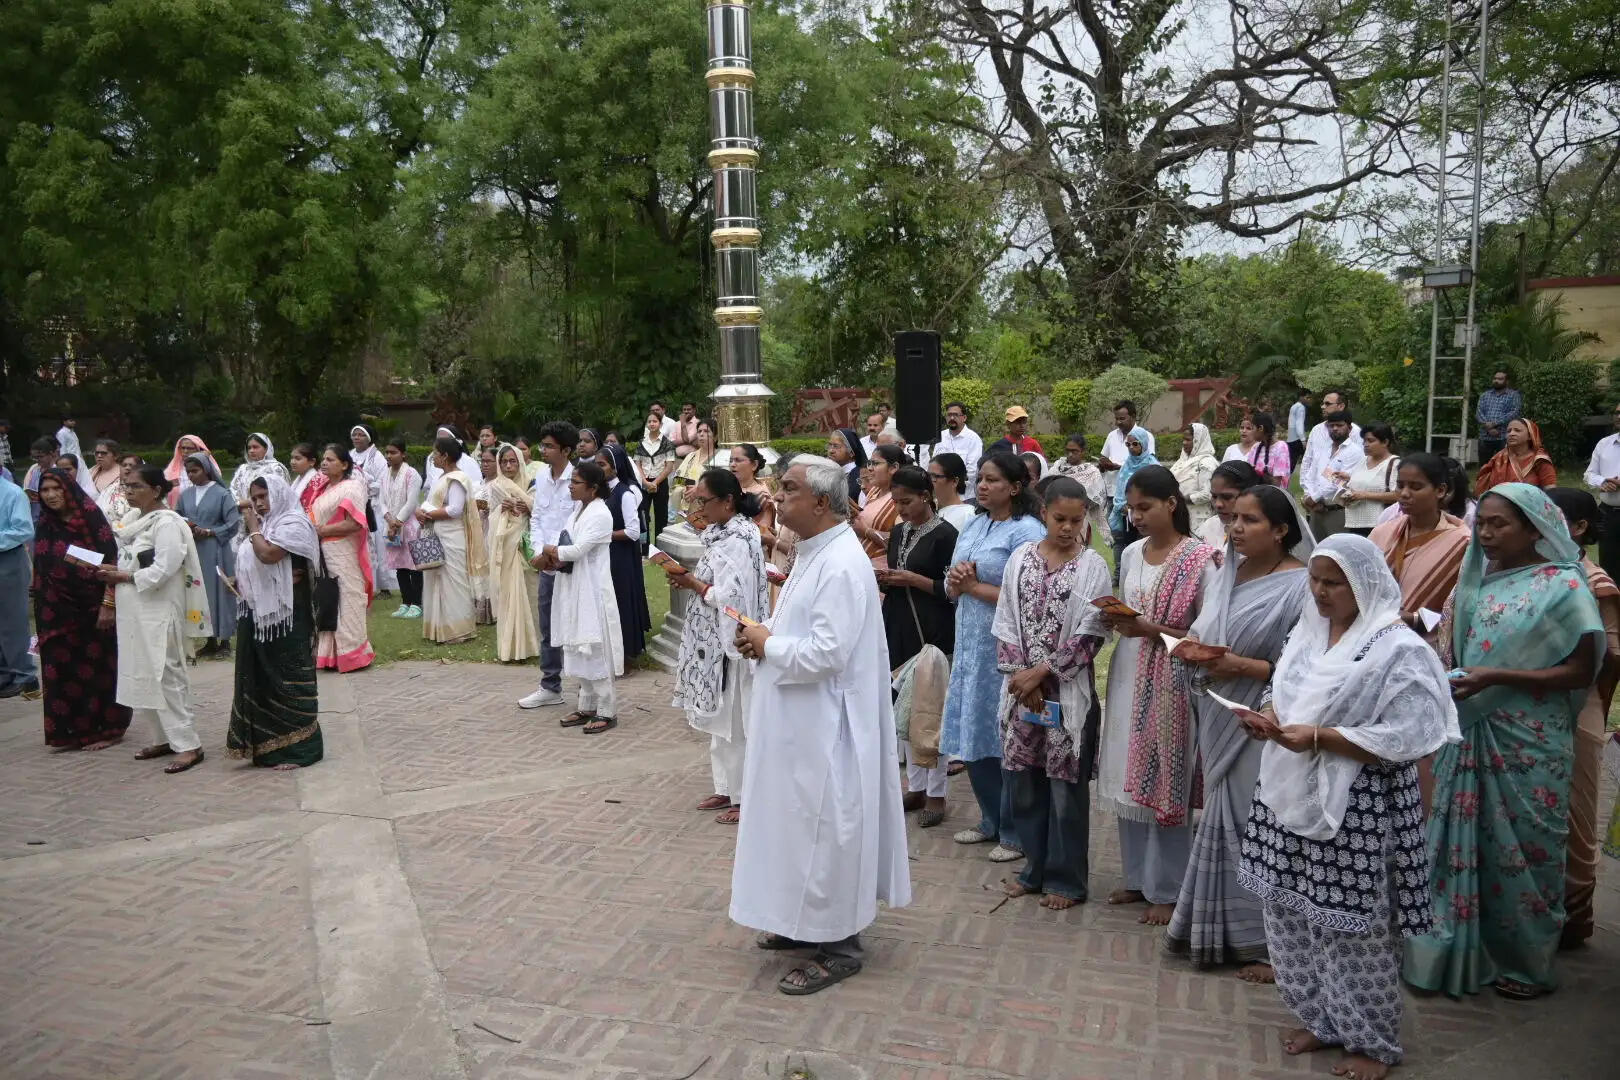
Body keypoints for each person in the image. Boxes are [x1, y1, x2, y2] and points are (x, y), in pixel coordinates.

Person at [1238, 535, 1459, 1080]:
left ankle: (1371, 1039)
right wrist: (1267, 716)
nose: (1319, 592)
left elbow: (1415, 732)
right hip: (1287, 792)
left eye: (1333, 583)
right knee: (1289, 910)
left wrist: (1321, 736)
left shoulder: (1396, 648)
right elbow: (1284, 686)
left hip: (1356, 807)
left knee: (1353, 926)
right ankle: (1320, 1017)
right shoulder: (1308, 632)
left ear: (1364, 584)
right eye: (1314, 580)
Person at [1404, 484, 1604, 1002]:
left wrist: (1499, 676)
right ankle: (1450, 948)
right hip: (1466, 726)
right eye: (1483, 523)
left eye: (1501, 524)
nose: (1487, 534)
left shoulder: (1563, 585)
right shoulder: (1472, 580)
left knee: (1524, 849)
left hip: (1527, 738)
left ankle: (1526, 960)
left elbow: (1581, 669)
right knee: (1453, 843)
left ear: (1535, 528)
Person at [730, 455, 911, 993]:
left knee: (828, 830)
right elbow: (803, 628)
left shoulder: (841, 563)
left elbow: (828, 654)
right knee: (795, 826)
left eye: (788, 489)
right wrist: (765, 635)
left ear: (823, 503)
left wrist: (770, 644)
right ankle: (803, 922)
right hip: (798, 725)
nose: (777, 498)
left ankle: (839, 943)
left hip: (829, 729)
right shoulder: (814, 553)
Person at [1167, 485, 1314, 980]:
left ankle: (1269, 942)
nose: (1236, 528)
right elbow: (1208, 632)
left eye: (1251, 521)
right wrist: (1195, 649)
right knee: (1222, 813)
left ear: (1281, 529)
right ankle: (1220, 929)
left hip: (1261, 721)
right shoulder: (1226, 572)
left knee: (1257, 823)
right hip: (1218, 710)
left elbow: (1301, 668)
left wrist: (1237, 665)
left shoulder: (1301, 585)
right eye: (1235, 520)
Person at [1099, 464, 1219, 926]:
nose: (1137, 517)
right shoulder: (1131, 554)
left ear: (1172, 503)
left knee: (1167, 775)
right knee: (1126, 770)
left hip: (1173, 678)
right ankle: (1137, 878)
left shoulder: (1200, 559)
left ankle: (1168, 888)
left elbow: (1206, 634)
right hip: (1129, 670)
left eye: (1145, 507)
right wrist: (1119, 621)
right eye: (1131, 509)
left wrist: (1151, 629)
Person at [992, 477, 1112, 910]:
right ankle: (1034, 868)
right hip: (1023, 693)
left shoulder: (1092, 566)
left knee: (1065, 792)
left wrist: (1042, 673)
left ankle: (1066, 880)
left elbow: (1091, 634)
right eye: (1059, 518)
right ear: (1043, 512)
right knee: (1024, 784)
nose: (1067, 528)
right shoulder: (1022, 558)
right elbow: (1005, 617)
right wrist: (1020, 676)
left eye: (1076, 521)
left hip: (1066, 696)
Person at [941, 453, 1047, 862]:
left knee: (1006, 736)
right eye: (980, 479)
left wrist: (970, 588)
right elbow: (956, 580)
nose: (982, 486)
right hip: (969, 642)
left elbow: (1028, 596)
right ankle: (989, 818)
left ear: (1015, 487)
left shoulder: (1027, 532)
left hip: (1004, 647)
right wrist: (954, 584)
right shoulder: (975, 523)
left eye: (992, 480)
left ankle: (1015, 830)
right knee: (973, 731)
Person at [670, 468, 769, 823]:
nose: (700, 508)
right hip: (711, 638)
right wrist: (691, 582)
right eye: (697, 500)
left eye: (705, 501)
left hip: (736, 641)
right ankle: (725, 787)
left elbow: (731, 598)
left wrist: (693, 584)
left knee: (740, 720)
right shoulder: (719, 534)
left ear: (728, 501)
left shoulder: (739, 539)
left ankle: (745, 796)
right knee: (720, 717)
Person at [100, 465, 211, 773]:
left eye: (136, 486)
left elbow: (165, 568)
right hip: (134, 610)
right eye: (126, 486)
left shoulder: (167, 524)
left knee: (168, 675)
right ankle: (163, 738)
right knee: (142, 672)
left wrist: (123, 575)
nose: (129, 491)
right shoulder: (132, 521)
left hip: (159, 610)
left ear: (157, 490)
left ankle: (189, 744)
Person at [1546, 487, 1620, 947]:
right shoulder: (1519, 573)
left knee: (1576, 810)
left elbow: (1612, 651)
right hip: (1524, 703)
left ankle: (1575, 915)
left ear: (1578, 528)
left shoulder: (1594, 583)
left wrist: (1591, 699)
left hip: (1578, 703)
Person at [879, 466, 959, 828]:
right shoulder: (898, 531)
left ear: (926, 496)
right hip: (899, 626)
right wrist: (888, 578)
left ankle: (937, 795)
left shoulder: (947, 535)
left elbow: (952, 591)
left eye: (907, 501)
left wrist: (913, 579)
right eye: (896, 502)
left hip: (933, 630)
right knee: (906, 709)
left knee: (931, 711)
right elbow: (898, 568)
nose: (901, 509)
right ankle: (915, 785)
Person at [226, 475, 323, 769]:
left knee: (289, 679)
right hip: (260, 614)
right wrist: (238, 579)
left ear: (278, 493)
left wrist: (253, 529)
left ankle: (303, 749)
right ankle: (268, 746)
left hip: (288, 618)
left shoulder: (294, 523)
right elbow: (255, 561)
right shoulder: (267, 525)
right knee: (262, 677)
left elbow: (268, 555)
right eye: (254, 498)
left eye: (263, 496)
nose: (258, 503)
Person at [32, 468, 131, 748]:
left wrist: (108, 605)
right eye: (45, 490)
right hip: (55, 614)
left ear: (68, 491)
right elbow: (41, 569)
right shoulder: (45, 524)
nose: (50, 496)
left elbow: (111, 562)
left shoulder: (89, 518)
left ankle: (107, 729)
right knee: (61, 670)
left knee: (98, 670)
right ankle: (70, 731)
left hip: (91, 611)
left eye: (56, 489)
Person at [537, 462, 622, 735]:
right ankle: (586, 704)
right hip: (572, 584)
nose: (570, 486)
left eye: (575, 482)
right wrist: (550, 554)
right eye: (571, 481)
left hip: (591, 589)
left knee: (592, 646)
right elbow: (566, 541)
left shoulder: (601, 513)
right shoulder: (577, 509)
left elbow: (576, 550)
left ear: (593, 487)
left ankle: (607, 709)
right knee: (575, 643)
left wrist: (547, 550)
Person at [1369, 453, 1470, 622]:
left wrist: (1415, 619)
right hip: (1377, 637)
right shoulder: (1382, 533)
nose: (1404, 494)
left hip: (1430, 642)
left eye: (1415, 487)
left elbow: (1465, 607)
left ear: (1440, 490)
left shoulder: (1461, 543)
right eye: (1400, 486)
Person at [520, 422, 576, 707]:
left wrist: (554, 554)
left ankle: (589, 689)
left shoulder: (578, 479)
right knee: (548, 626)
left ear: (566, 450)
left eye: (550, 446)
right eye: (542, 445)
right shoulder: (542, 477)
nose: (543, 450)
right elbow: (538, 517)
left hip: (571, 563)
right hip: (546, 562)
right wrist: (539, 553)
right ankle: (550, 686)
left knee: (578, 626)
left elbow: (576, 523)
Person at [306, 445, 374, 671]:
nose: (324, 463)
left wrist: (321, 531)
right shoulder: (323, 488)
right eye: (323, 459)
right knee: (328, 600)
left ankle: (352, 654)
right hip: (323, 553)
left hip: (343, 552)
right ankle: (328, 655)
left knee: (347, 599)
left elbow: (354, 523)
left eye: (330, 459)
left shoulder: (353, 487)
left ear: (344, 465)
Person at [415, 435, 486, 645]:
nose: (433, 458)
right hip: (437, 532)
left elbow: (455, 510)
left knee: (453, 581)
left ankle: (457, 630)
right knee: (435, 578)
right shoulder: (441, 478)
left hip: (452, 535)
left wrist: (427, 514)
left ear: (445, 456)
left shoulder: (458, 478)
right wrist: (422, 513)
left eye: (435, 453)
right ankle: (438, 628)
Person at [177, 452, 241, 657]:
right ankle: (209, 639)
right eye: (188, 472)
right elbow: (177, 517)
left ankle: (224, 641)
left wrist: (211, 532)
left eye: (195, 471)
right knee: (200, 592)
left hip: (215, 549)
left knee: (219, 592)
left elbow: (233, 523)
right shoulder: (185, 495)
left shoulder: (222, 494)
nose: (191, 475)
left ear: (206, 470)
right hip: (193, 550)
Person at [596, 443, 650, 662]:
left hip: (621, 557)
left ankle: (626, 654)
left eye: (602, 465)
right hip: (604, 555)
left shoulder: (624, 493)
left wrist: (604, 535)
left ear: (615, 467)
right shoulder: (600, 492)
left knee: (620, 601)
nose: (599, 469)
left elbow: (633, 532)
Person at [487, 443, 540, 662]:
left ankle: (532, 644)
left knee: (530, 592)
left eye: (512, 461)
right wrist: (502, 508)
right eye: (504, 462)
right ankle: (511, 648)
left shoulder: (531, 483)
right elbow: (490, 516)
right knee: (509, 594)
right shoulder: (496, 486)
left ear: (519, 461)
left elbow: (538, 510)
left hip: (525, 544)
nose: (508, 466)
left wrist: (527, 505)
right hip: (506, 546)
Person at [1301, 411, 1365, 539]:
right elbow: (1311, 475)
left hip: (1337, 511)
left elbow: (1340, 482)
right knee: (1316, 550)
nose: (1335, 428)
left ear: (1349, 428)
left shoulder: (1355, 452)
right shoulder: (1323, 450)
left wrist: (1314, 498)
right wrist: (1309, 496)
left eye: (1339, 425)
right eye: (1331, 425)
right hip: (1316, 510)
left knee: (1337, 552)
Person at [380, 437, 424, 618]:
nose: (389, 456)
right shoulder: (385, 474)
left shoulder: (412, 474)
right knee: (400, 567)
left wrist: (397, 522)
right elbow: (381, 501)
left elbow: (412, 501)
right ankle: (405, 602)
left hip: (410, 526)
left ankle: (417, 603)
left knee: (414, 566)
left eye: (393, 452)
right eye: (387, 452)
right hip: (391, 527)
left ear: (403, 454)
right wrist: (390, 521)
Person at [0, 469, 34, 699]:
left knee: (13, 620)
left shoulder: (13, 493)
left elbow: (24, 529)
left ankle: (24, 675)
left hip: (8, 560)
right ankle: (4, 673)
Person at [1107, 427, 1158, 576]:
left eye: (1135, 444)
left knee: (1144, 543)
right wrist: (1122, 505)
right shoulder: (1127, 465)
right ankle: (1123, 575)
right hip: (1126, 514)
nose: (1131, 448)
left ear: (1143, 444)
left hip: (1145, 514)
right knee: (1125, 545)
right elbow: (1120, 489)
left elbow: (1156, 491)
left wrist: (1137, 506)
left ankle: (1143, 574)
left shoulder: (1152, 465)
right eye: (1128, 445)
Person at [1296, 389, 1362, 504]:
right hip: (1314, 502)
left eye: (1327, 404)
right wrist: (1308, 494)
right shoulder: (1317, 431)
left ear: (1341, 406)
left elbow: (1347, 475)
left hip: (1340, 504)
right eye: (1322, 403)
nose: (1322, 407)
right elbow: (1308, 462)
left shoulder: (1355, 433)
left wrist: (1315, 497)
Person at [350, 424, 391, 596]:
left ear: (369, 438)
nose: (357, 438)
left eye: (361, 435)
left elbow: (383, 481)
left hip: (373, 506)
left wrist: (363, 486)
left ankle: (383, 585)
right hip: (354, 505)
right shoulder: (349, 455)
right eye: (355, 435)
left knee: (378, 547)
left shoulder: (377, 457)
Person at [1337, 423, 1400, 536]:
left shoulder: (1394, 464)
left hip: (1379, 525)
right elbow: (1366, 482)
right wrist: (1348, 480)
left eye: (1370, 441)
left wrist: (1364, 495)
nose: (1365, 445)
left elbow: (1398, 495)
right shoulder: (1363, 461)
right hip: (1354, 523)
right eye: (1364, 441)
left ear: (1385, 442)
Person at [1582, 401, 1620, 585]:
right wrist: (1602, 482)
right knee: (1609, 564)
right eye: (1617, 413)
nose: (1619, 417)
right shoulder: (1604, 444)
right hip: (1608, 513)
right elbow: (1588, 474)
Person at [853, 443, 905, 568]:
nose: (870, 468)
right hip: (862, 565)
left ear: (894, 468)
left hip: (883, 572)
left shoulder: (902, 497)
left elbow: (902, 541)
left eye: (875, 464)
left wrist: (866, 531)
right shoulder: (874, 491)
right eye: (870, 463)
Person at [1474, 417, 1556, 494]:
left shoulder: (1540, 460)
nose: (1511, 434)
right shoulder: (1499, 458)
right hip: (1499, 505)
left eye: (1517, 430)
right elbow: (1483, 487)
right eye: (1509, 431)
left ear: (1530, 436)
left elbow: (1550, 491)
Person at [1198, 461, 1263, 552]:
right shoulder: (1209, 526)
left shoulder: (1260, 535)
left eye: (1227, 497)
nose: (1218, 504)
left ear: (1250, 494)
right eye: (1214, 496)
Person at [633, 413, 678, 541]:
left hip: (661, 481)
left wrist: (655, 482)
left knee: (661, 516)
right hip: (644, 481)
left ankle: (660, 548)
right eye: (649, 421)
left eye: (655, 421)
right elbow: (638, 464)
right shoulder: (641, 443)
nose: (652, 424)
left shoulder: (667, 443)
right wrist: (646, 482)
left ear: (660, 424)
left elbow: (669, 467)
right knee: (643, 514)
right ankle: (645, 548)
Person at [1170, 422, 1219, 534]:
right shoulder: (1182, 461)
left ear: (1198, 441)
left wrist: (1183, 498)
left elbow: (1208, 493)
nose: (1184, 443)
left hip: (1198, 519)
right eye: (1183, 439)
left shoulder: (1206, 463)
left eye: (1188, 440)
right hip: (1180, 515)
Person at [730, 443, 777, 551]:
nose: (732, 464)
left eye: (738, 460)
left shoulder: (762, 495)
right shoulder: (728, 487)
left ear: (754, 465)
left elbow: (764, 534)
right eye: (731, 460)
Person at [470, 447, 498, 625]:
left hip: (492, 530)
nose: (485, 465)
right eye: (483, 461)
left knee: (490, 568)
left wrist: (490, 508)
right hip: (478, 530)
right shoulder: (477, 485)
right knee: (478, 569)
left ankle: (492, 609)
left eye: (489, 461)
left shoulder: (500, 485)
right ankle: (478, 609)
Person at [673, 417, 719, 517]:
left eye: (706, 431)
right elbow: (676, 479)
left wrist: (698, 489)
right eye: (699, 431)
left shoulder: (720, 458)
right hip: (687, 508)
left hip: (710, 510)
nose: (701, 434)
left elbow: (722, 484)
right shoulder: (691, 456)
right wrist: (690, 486)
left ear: (715, 437)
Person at [1099, 399, 1156, 479]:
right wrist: (1103, 463)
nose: (1118, 422)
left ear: (1133, 416)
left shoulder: (1146, 436)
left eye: (1122, 419)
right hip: (1111, 487)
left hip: (1133, 486)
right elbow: (1103, 456)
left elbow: (1149, 465)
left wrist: (1120, 468)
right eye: (1116, 419)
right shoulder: (1111, 435)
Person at [1475, 369, 1523, 463]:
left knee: (1505, 465)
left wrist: (1495, 423)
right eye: (1495, 378)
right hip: (1485, 436)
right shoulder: (1485, 395)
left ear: (1507, 381)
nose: (1496, 381)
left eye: (1500, 379)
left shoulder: (1513, 395)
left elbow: (1514, 412)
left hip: (1504, 436)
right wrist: (1489, 428)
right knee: (1485, 467)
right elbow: (1479, 412)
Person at [229, 433, 290, 503]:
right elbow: (233, 491)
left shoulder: (275, 468)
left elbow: (278, 495)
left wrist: (247, 504)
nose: (251, 451)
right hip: (242, 511)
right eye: (249, 448)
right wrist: (240, 505)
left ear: (266, 449)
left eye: (255, 447)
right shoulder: (243, 469)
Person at [162, 434, 220, 509]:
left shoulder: (208, 469)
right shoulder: (170, 471)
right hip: (176, 514)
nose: (185, 451)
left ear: (198, 449)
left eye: (189, 448)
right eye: (183, 448)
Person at [937, 402, 983, 489]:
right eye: (949, 415)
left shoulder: (973, 439)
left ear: (964, 418)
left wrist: (953, 485)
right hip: (943, 492)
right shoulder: (940, 436)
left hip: (965, 495)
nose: (952, 418)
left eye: (956, 415)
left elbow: (972, 471)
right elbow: (935, 464)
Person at [422, 425, 479, 491]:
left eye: (444, 440)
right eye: (439, 439)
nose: (440, 443)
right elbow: (428, 488)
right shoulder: (433, 460)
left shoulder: (469, 462)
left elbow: (476, 488)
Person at [929, 452, 975, 531]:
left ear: (954, 481)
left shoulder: (967, 514)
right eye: (928, 476)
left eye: (935, 476)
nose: (929, 481)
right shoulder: (928, 508)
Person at [1244, 412, 1289, 486]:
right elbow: (1247, 473)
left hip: (1273, 494)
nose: (1251, 432)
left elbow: (1276, 483)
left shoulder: (1281, 447)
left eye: (1252, 428)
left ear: (1260, 428)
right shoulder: (1255, 448)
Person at [96, 451, 141, 524]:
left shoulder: (144, 489)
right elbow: (98, 509)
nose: (127, 468)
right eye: (124, 465)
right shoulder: (110, 488)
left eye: (131, 465)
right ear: (120, 468)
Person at [825, 427, 867, 504]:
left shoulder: (860, 477)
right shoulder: (828, 473)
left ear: (851, 452)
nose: (831, 451)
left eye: (836, 446)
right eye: (830, 445)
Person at [24, 436, 58, 521]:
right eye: (35, 457)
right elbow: (26, 486)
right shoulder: (34, 469)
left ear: (51, 454)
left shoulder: (57, 470)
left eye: (40, 456)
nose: (37, 460)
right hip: (34, 511)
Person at [288, 442, 320, 508]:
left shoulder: (316, 482)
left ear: (312, 462)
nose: (292, 462)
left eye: (298, 458)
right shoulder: (298, 479)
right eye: (292, 458)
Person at [1286, 389, 1310, 471]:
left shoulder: (1294, 406)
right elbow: (1299, 424)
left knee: (1290, 464)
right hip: (1297, 439)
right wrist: (1303, 440)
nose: (1308, 400)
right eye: (1307, 397)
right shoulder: (1301, 407)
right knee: (1310, 459)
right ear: (1301, 397)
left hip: (1290, 438)